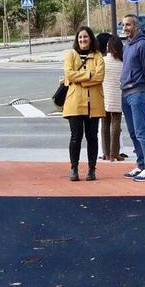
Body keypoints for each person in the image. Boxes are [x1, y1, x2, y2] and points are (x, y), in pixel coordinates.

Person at [61, 25, 105, 181]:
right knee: (76, 136)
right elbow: (69, 75)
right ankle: (74, 168)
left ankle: (92, 169)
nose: (83, 40)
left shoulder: (98, 56)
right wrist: (88, 75)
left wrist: (80, 79)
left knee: (92, 137)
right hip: (74, 103)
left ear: (90, 38)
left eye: (85, 37)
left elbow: (99, 77)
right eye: (80, 37)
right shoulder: (71, 55)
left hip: (94, 103)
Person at [118, 14, 145, 180]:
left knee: (141, 132)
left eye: (128, 25)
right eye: (123, 25)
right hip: (125, 92)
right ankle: (141, 165)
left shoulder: (141, 45)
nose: (125, 28)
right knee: (133, 132)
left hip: (137, 91)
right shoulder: (127, 46)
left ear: (136, 27)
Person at [99, 32, 126, 163]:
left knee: (104, 124)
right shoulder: (122, 62)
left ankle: (105, 152)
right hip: (117, 97)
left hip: (104, 96)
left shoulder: (102, 61)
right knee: (116, 124)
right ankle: (114, 153)